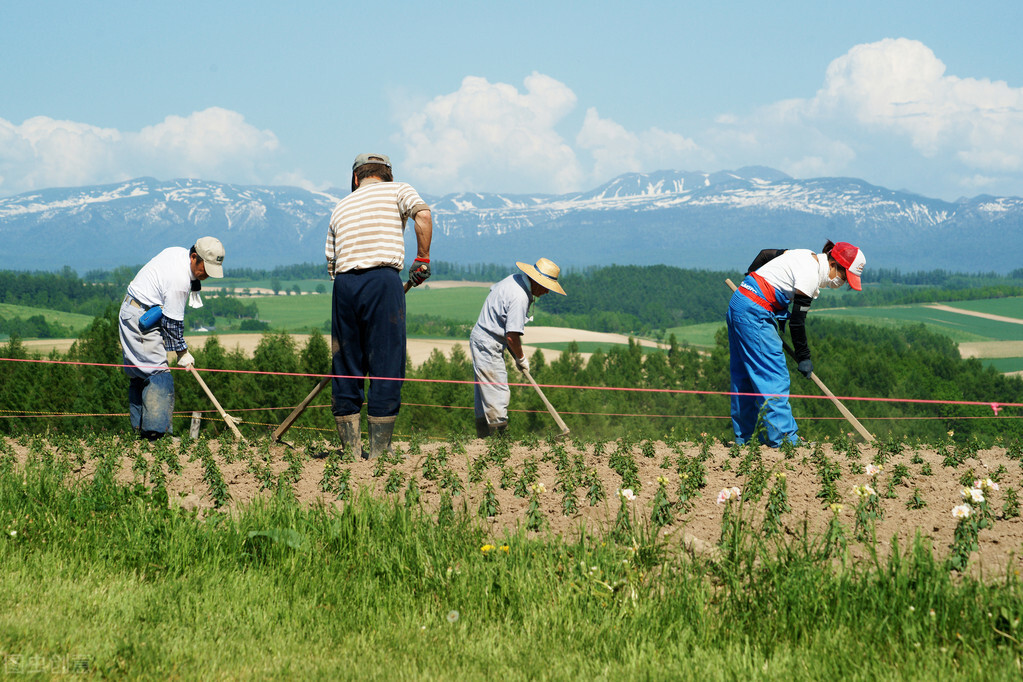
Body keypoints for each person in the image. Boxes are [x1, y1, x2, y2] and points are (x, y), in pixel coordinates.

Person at [326, 153, 433, 458]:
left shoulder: (341, 206)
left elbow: (332, 262)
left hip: (344, 286)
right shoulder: (399, 190)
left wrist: (355, 289)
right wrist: (422, 258)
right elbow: (423, 216)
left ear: (356, 179)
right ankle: (378, 454)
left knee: (346, 365)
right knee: (386, 364)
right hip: (384, 281)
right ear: (387, 174)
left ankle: (349, 452)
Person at [726, 240, 865, 447]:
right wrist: (804, 358)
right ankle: (784, 441)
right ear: (834, 264)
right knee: (773, 376)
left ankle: (746, 438)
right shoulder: (809, 276)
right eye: (844, 277)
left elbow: (765, 254)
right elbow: (797, 323)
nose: (842, 283)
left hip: (740, 303)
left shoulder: (803, 254)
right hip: (754, 313)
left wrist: (750, 281)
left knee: (744, 376)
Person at [118, 237, 225, 440]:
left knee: (141, 373)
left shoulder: (178, 253)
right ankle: (157, 435)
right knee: (159, 374)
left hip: (133, 310)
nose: (207, 276)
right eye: (206, 269)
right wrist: (182, 353)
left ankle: (140, 432)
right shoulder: (179, 281)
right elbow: (172, 323)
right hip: (142, 318)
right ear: (195, 257)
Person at [470, 258, 566, 437]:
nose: (546, 292)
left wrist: (515, 354)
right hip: (488, 341)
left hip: (484, 337)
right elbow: (512, 336)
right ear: (536, 281)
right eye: (546, 287)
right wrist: (521, 358)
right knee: (498, 391)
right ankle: (499, 439)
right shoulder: (520, 297)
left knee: (485, 392)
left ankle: (483, 438)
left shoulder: (514, 279)